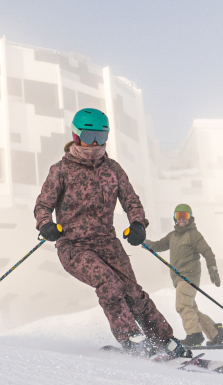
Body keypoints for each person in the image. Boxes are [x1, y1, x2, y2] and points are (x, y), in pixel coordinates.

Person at [34, 108, 190, 359]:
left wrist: (138, 224)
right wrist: (45, 224)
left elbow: (132, 201)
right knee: (109, 283)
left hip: (108, 243)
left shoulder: (113, 169)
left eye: (100, 136)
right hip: (74, 246)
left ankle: (164, 340)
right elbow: (43, 205)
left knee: (133, 291)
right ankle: (130, 337)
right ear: (76, 136)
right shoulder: (60, 170)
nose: (94, 143)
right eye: (88, 136)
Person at [151, 204, 223, 347]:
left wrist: (213, 270)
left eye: (184, 216)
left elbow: (208, 252)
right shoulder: (172, 236)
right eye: (179, 216)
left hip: (188, 278)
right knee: (192, 310)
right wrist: (144, 242)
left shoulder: (193, 235)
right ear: (175, 218)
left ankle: (194, 336)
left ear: (190, 218)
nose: (181, 219)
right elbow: (159, 245)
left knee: (183, 306)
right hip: (180, 279)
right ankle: (215, 333)